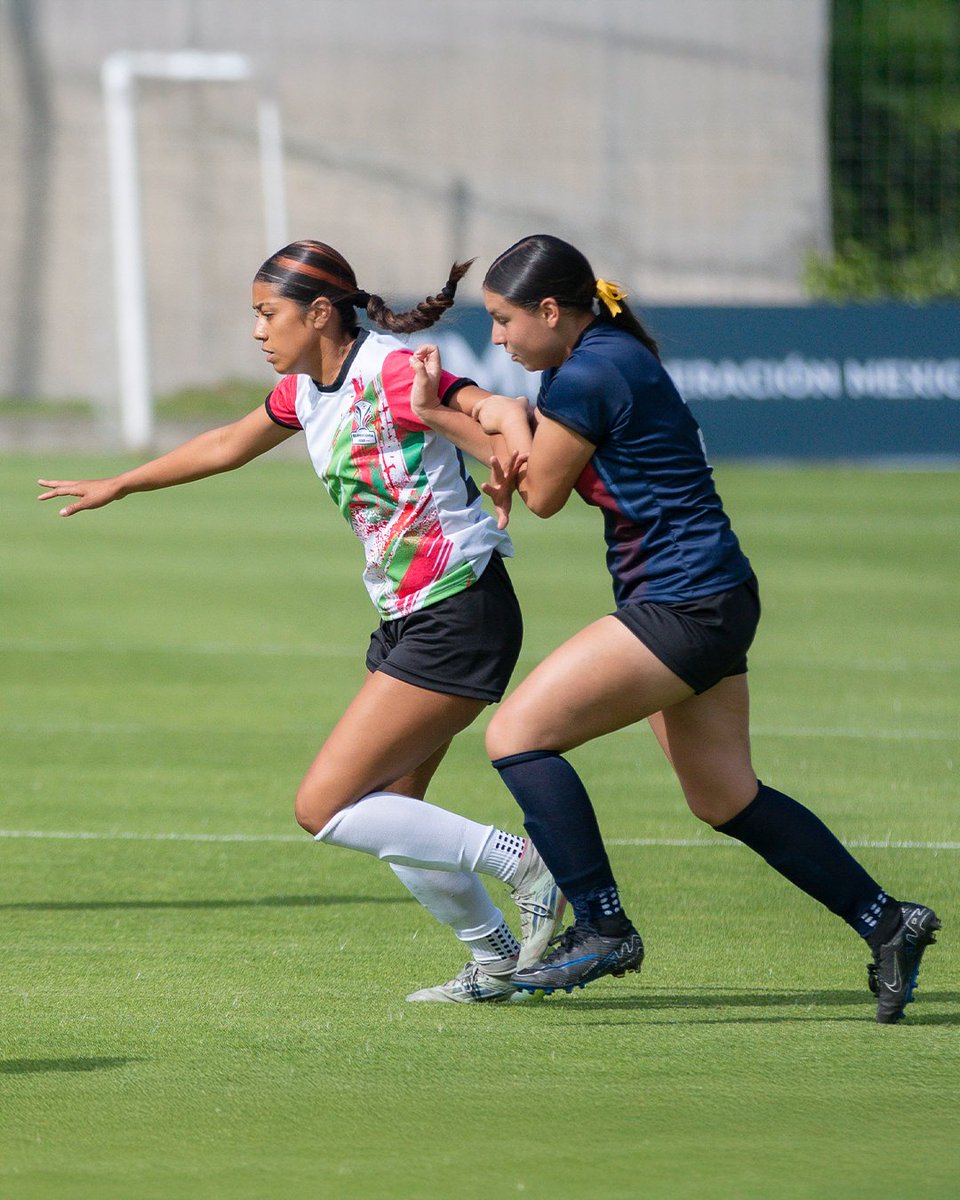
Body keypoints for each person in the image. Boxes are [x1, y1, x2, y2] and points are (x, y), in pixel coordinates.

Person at [410, 233, 940, 1024]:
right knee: (726, 795)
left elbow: (544, 492)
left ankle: (601, 925)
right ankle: (886, 920)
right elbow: (531, 459)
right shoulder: (600, 357)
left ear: (551, 311)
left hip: (683, 604)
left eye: (503, 320)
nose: (497, 338)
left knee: (516, 736)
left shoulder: (589, 371)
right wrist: (502, 418)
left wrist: (445, 414)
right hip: (712, 596)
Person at [37, 239, 566, 1005]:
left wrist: (499, 414)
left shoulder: (389, 366)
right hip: (409, 614)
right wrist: (121, 483)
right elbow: (226, 445)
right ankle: (496, 964)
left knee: (324, 807)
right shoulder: (307, 390)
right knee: (394, 812)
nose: (258, 331)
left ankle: (526, 863)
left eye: (267, 314)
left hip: (459, 606)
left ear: (320, 313)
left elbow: (477, 403)